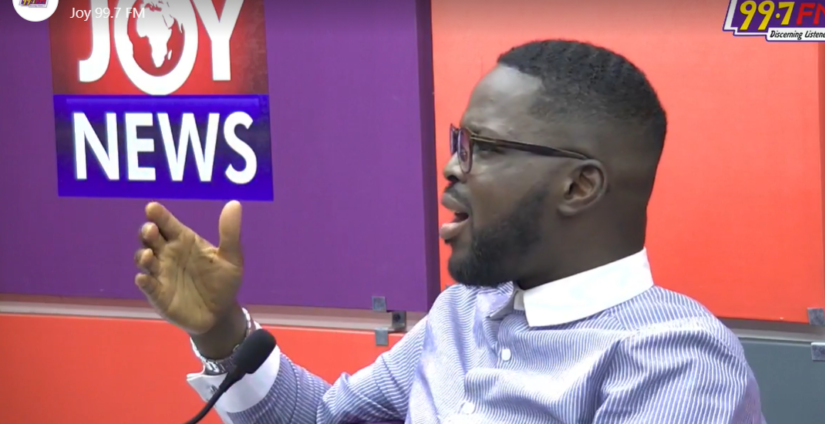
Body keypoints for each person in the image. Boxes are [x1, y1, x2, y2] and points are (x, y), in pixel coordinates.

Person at [134, 39, 765, 424]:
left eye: (483, 147)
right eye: (460, 141)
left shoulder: (676, 361)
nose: (452, 166)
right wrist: (221, 331)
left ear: (579, 187)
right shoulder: (463, 311)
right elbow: (325, 419)